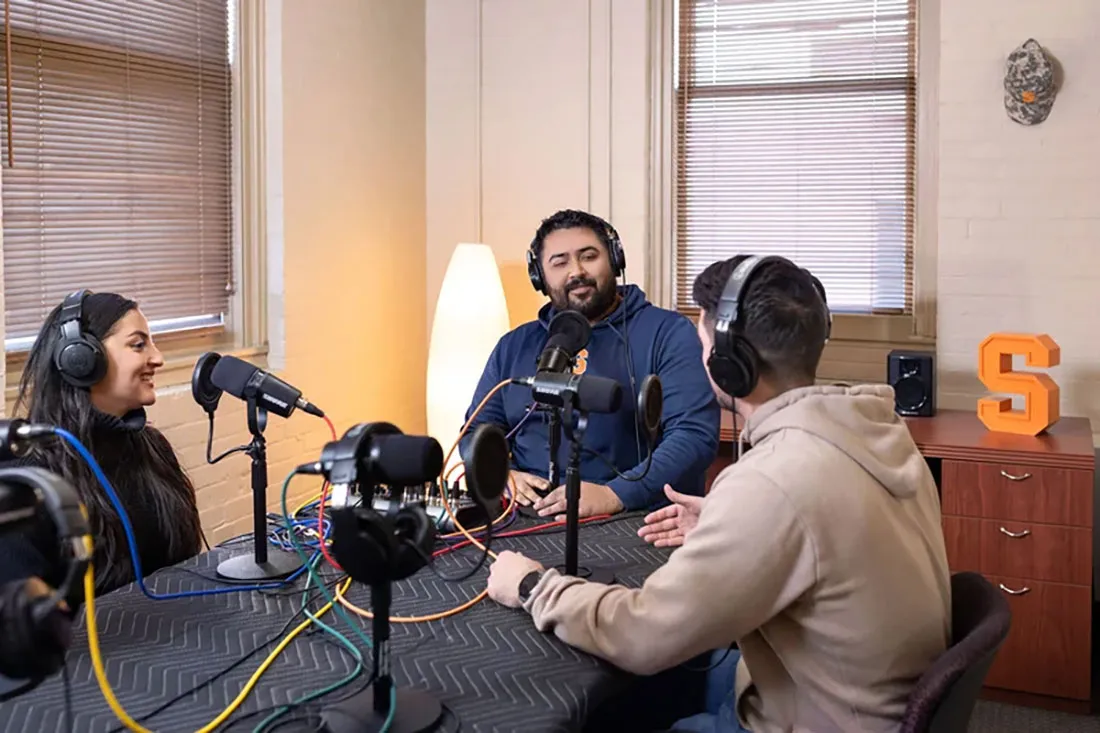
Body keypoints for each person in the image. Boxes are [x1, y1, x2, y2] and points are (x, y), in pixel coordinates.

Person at [486, 255, 952, 732]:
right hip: (837, 688)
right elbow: (829, 525)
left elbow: (642, 636)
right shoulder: (874, 431)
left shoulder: (773, 481)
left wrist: (532, 586)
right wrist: (730, 520)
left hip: (810, 717)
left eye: (703, 339)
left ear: (730, 363)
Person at [461, 209, 719, 519]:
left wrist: (616, 494)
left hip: (632, 514)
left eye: (589, 256)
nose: (577, 271)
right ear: (539, 276)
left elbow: (693, 435)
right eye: (560, 262)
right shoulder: (514, 345)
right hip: (528, 515)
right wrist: (501, 473)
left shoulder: (668, 333)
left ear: (614, 259)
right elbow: (475, 432)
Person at [0, 291, 204, 595]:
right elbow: (22, 615)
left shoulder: (153, 448)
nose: (157, 358)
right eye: (138, 345)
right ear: (80, 358)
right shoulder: (26, 479)